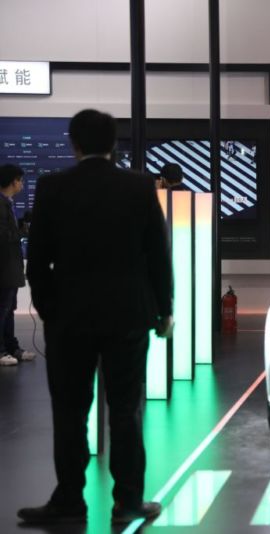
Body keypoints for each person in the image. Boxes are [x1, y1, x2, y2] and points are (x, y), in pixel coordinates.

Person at [19, 109, 174, 525]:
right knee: (125, 410)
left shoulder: (52, 187)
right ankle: (128, 502)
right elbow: (158, 255)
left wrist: (50, 309)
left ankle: (69, 500)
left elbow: (38, 260)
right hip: (128, 316)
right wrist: (164, 309)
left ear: (74, 143)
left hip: (69, 319)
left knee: (70, 412)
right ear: (113, 144)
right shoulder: (139, 186)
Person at [0, 164, 36, 366]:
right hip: (4, 268)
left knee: (9, 309)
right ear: (12, 181)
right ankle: (2, 351)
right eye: (20, 180)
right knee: (3, 309)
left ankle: (11, 347)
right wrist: (21, 231)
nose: (22, 184)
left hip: (10, 268)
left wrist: (21, 226)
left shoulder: (7, 203)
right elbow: (3, 235)